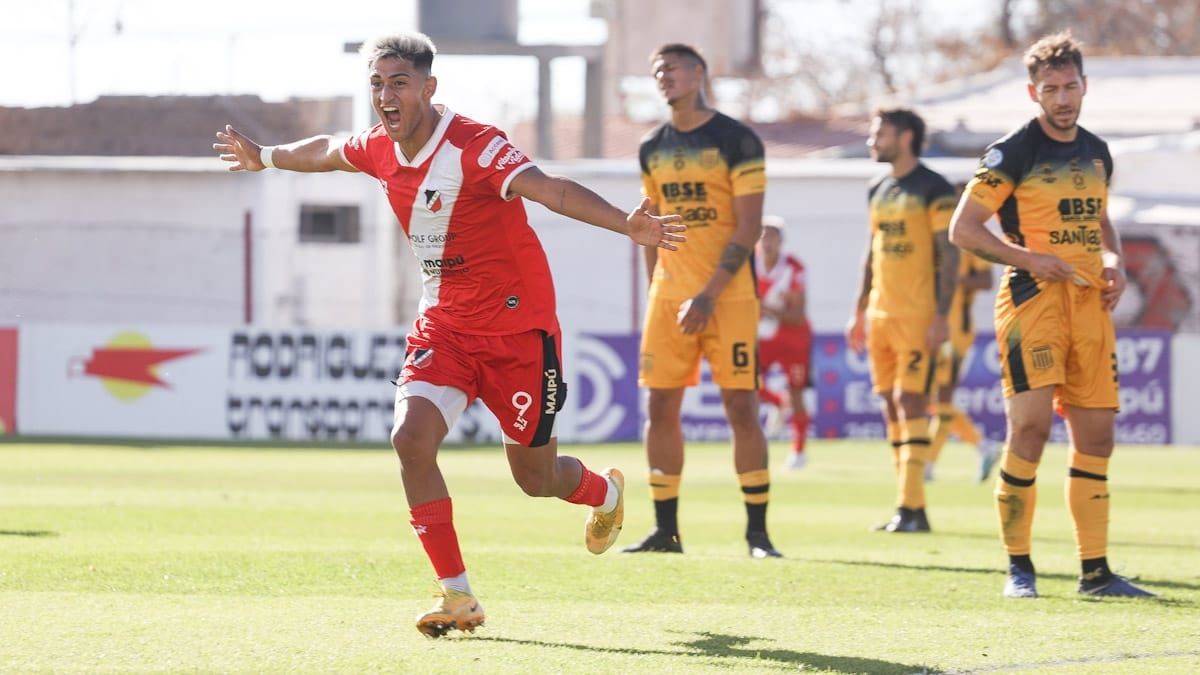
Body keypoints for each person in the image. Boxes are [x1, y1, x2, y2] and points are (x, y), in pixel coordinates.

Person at [212, 32, 687, 636]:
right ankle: (457, 594)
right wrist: (267, 156)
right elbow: (328, 149)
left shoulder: (474, 145)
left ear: (429, 88)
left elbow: (552, 190)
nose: (386, 95)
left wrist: (626, 224)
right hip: (446, 326)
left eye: (399, 83)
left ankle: (603, 493)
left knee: (535, 479)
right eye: (377, 83)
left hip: (519, 331)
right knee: (410, 439)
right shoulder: (378, 147)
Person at [949, 31, 1155, 598]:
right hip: (1032, 301)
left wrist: (1114, 260)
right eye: (1050, 89)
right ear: (1032, 93)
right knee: (1031, 430)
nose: (1062, 99)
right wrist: (1029, 258)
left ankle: (1096, 573)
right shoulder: (1012, 152)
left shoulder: (1098, 152)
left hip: (1090, 306)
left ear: (1085, 86)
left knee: (1097, 438)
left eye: (1070, 87)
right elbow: (963, 229)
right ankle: (1019, 568)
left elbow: (1100, 221)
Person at [622, 43, 782, 559]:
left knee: (741, 406)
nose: (662, 76)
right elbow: (650, 226)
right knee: (659, 405)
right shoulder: (651, 146)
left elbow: (749, 227)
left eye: (671, 67)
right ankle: (665, 532)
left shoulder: (737, 139)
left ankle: (758, 535)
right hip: (670, 296)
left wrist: (708, 296)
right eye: (657, 70)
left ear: (699, 73)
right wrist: (656, 289)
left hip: (728, 297)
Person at [846, 108, 959, 533]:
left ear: (906, 137)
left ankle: (914, 507)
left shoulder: (934, 187)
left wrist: (942, 315)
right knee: (891, 405)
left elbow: (949, 255)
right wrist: (859, 309)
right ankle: (905, 506)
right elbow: (871, 250)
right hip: (880, 313)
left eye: (880, 134)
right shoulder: (877, 187)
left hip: (917, 314)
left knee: (911, 400)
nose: (872, 141)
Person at [926, 186, 1002, 484]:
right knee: (931, 398)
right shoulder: (936, 233)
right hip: (931, 325)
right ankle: (983, 447)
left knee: (941, 397)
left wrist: (953, 280)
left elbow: (986, 279)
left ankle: (927, 463)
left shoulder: (970, 236)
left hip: (956, 330)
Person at [755, 216, 813, 470]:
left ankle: (798, 451)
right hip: (762, 337)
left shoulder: (793, 268)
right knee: (749, 383)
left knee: (797, 391)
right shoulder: (747, 264)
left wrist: (764, 307)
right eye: (762, 236)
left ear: (781, 241)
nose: (767, 241)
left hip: (793, 338)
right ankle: (779, 402)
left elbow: (797, 315)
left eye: (772, 236)